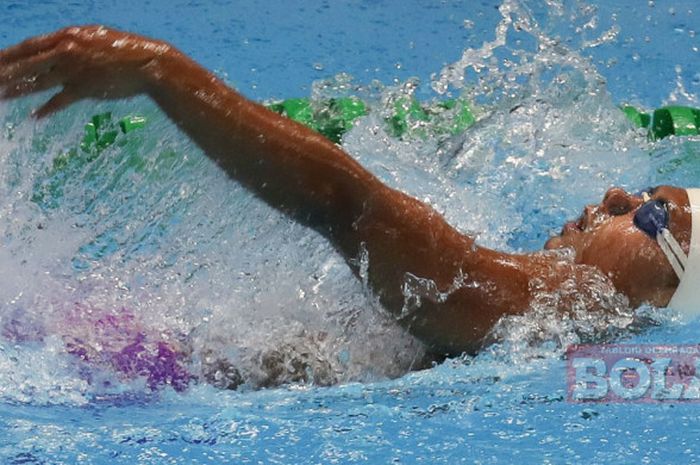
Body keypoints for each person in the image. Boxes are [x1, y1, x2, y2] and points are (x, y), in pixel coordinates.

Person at [0, 26, 696, 357]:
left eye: (651, 212)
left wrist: (162, 71)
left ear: (670, 294)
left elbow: (343, 202)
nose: (612, 195)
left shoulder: (523, 304)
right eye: (639, 191)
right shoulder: (548, 329)